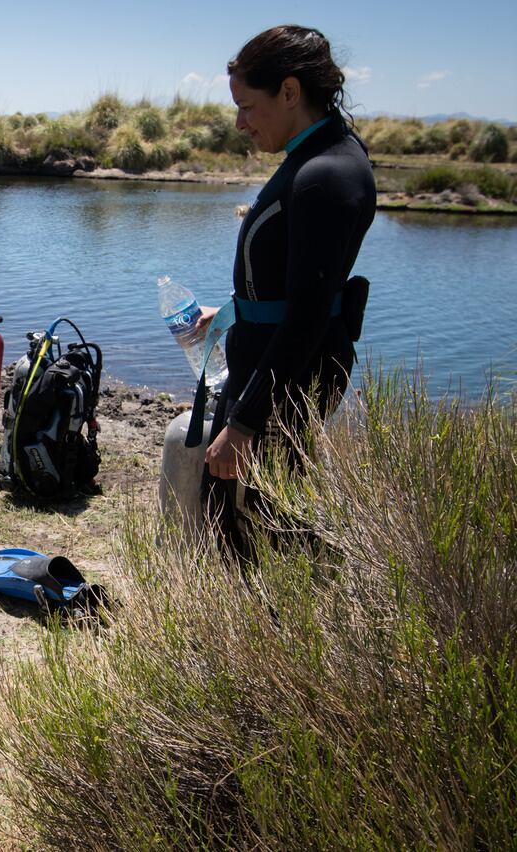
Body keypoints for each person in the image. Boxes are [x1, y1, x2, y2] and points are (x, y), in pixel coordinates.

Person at [199, 26, 375, 558]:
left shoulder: (327, 174)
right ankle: (239, 632)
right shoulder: (318, 157)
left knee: (260, 529)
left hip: (288, 379)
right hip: (273, 367)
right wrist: (234, 313)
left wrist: (245, 424)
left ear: (291, 92)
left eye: (248, 106)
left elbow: (307, 318)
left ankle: (271, 636)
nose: (240, 122)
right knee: (231, 516)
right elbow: (294, 284)